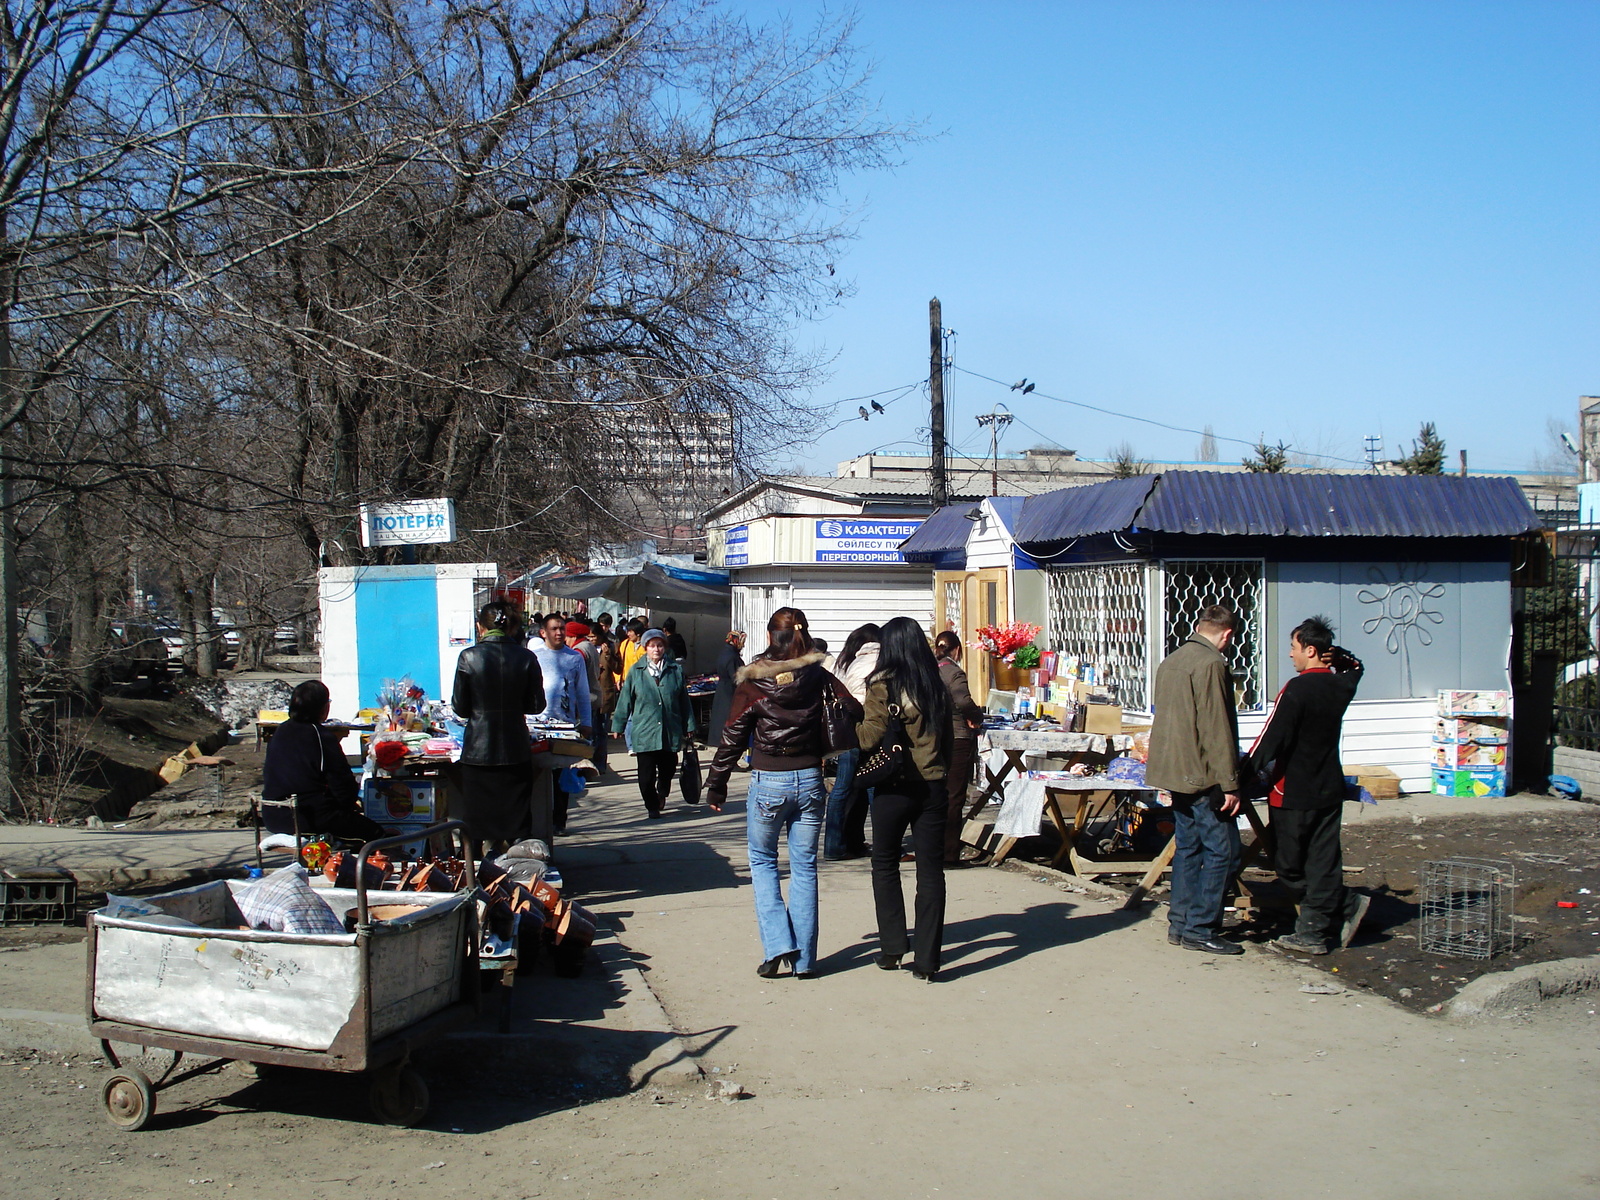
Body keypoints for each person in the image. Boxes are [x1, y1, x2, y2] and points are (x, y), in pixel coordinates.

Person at [706, 607, 861, 979]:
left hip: (769, 780)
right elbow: (853, 709)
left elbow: (732, 735)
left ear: (771, 636)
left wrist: (717, 782)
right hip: (810, 777)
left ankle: (777, 946)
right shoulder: (819, 676)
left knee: (762, 863)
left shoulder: (754, 681)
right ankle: (805, 961)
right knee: (805, 868)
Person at [1248, 616, 1369, 955]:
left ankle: (1336, 910)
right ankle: (1318, 927)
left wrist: (1241, 775)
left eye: (1293, 647)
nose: (1290, 655)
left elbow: (1271, 739)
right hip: (1328, 787)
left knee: (1288, 864)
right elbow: (1356, 666)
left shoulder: (1297, 689)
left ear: (1310, 650)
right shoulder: (1341, 685)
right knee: (1323, 860)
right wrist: (1337, 654)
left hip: (1293, 790)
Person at [1145, 604, 1245, 956]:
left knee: (1189, 846)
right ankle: (1201, 928)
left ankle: (1181, 922)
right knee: (1223, 850)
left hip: (1174, 771)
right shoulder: (1211, 664)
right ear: (1227, 634)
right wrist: (1230, 783)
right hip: (1202, 774)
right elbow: (1217, 728)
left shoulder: (1172, 660)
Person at [858, 616, 953, 982]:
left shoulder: (881, 685)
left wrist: (844, 721)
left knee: (884, 863)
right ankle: (928, 961)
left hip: (893, 786)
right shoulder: (937, 684)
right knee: (931, 871)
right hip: (932, 785)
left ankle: (893, 947)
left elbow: (869, 737)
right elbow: (947, 738)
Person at [451, 601, 545, 852]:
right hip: (515, 747)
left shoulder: (468, 657)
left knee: (476, 820)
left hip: (478, 751)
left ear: (481, 627)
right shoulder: (526, 658)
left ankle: (475, 877)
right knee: (517, 820)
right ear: (511, 627)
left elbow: (460, 708)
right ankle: (523, 876)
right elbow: (536, 706)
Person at [261, 679, 387, 843]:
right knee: (376, 834)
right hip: (307, 816)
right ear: (323, 708)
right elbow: (342, 784)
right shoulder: (320, 736)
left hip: (272, 815)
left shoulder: (280, 732)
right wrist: (349, 807)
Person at [612, 628, 698, 817]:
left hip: (669, 728)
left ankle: (662, 792)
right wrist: (618, 724)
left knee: (667, 769)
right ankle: (652, 806)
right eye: (652, 646)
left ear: (665, 647)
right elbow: (625, 699)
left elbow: (683, 699)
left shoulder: (675, 670)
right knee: (645, 777)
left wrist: (689, 724)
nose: (656, 649)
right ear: (645, 648)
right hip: (645, 730)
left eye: (659, 645)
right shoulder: (636, 671)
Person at [824, 623, 880, 859]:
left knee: (843, 789)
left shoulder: (844, 664)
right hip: (864, 729)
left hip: (844, 732)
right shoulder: (873, 664)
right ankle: (885, 845)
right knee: (873, 787)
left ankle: (836, 845)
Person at [935, 631, 985, 866]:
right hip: (957, 737)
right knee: (954, 796)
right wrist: (976, 716)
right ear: (956, 650)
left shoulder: (930, 670)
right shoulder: (954, 671)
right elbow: (963, 701)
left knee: (938, 795)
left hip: (935, 737)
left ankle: (934, 849)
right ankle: (949, 853)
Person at [566, 618, 610, 774]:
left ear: (572, 636)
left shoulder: (579, 651)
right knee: (599, 733)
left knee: (585, 736)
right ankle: (600, 765)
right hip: (595, 695)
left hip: (586, 698)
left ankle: (587, 768)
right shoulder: (589, 646)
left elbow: (577, 678)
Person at [707, 629, 747, 746]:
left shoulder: (724, 653)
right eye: (742, 641)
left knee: (720, 719)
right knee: (728, 722)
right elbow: (736, 677)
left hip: (722, 690)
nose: (743, 645)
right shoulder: (732, 657)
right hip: (730, 693)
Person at [619, 616, 647, 682]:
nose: (628, 634)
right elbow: (619, 663)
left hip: (642, 681)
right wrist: (618, 679)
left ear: (638, 633)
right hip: (626, 680)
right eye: (627, 631)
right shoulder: (625, 644)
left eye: (630, 632)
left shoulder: (646, 645)